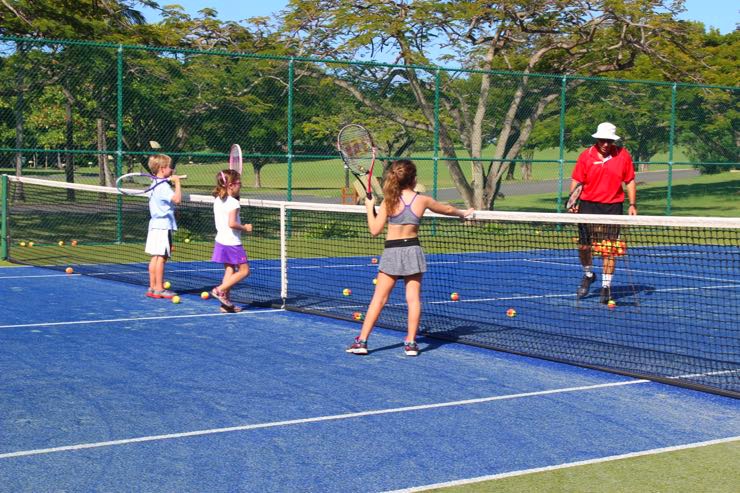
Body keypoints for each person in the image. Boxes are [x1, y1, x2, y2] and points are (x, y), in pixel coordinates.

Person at [346, 159, 474, 357]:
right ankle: (411, 343)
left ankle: (362, 342)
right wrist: (463, 213)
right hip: (413, 250)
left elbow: (374, 230)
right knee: (413, 300)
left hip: (392, 251)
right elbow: (447, 209)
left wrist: (369, 208)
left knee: (378, 300)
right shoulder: (422, 200)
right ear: (413, 180)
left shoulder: (389, 201)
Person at [569, 122, 637, 304]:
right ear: (597, 139)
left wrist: (632, 204)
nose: (605, 144)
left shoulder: (623, 155)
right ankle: (589, 274)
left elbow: (629, 180)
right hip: (588, 205)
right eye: (602, 140)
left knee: (609, 249)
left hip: (612, 207)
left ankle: (606, 287)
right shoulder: (586, 156)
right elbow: (576, 179)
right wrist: (572, 201)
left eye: (609, 140)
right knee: (584, 247)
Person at [210, 169, 252, 313]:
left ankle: (225, 304)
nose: (241, 185)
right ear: (231, 185)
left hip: (221, 241)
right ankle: (219, 290)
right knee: (244, 271)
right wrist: (245, 228)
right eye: (239, 183)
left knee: (230, 269)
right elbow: (232, 223)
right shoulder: (233, 203)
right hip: (232, 242)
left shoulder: (218, 199)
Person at [145, 154, 182, 299]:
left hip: (154, 225)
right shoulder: (163, 186)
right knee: (161, 258)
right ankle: (159, 288)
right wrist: (177, 183)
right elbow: (177, 199)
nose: (172, 169)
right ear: (161, 168)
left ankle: (153, 287)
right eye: (169, 166)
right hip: (162, 226)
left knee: (155, 257)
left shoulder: (154, 183)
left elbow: (164, 203)